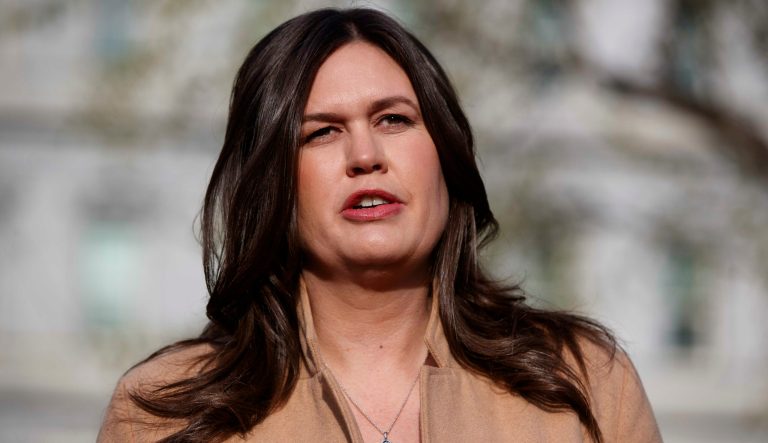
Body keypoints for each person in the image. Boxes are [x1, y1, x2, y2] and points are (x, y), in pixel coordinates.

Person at [98, 7, 661, 443]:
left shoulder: (581, 381)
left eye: (394, 119)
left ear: (445, 155)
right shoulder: (163, 412)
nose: (365, 155)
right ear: (272, 182)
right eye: (321, 132)